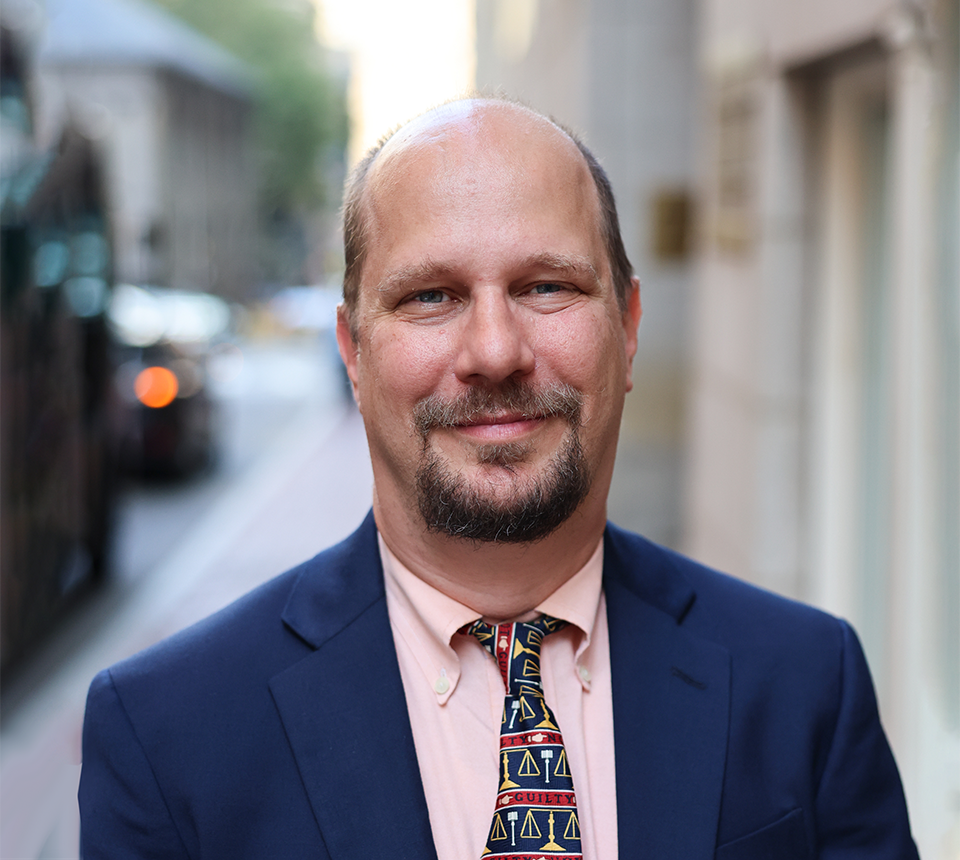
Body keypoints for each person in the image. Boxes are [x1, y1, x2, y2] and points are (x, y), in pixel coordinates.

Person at [79, 98, 919, 859]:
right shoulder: (166, 736)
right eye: (431, 297)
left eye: (546, 286)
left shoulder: (807, 684)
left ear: (628, 329)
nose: (494, 351)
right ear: (353, 352)